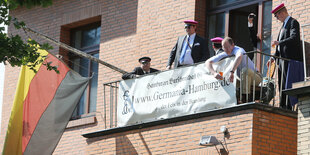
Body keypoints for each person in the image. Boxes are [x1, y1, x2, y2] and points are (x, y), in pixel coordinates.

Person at [205, 37, 262, 102]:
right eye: (224, 48)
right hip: (242, 80)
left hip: (256, 78)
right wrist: (214, 73)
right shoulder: (225, 53)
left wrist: (232, 72)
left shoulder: (239, 50)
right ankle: (229, 101)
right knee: (228, 80)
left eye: (227, 47)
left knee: (245, 70)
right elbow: (208, 62)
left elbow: (239, 56)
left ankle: (245, 98)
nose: (226, 50)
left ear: (233, 45)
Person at [268, 3, 303, 108]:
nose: (276, 18)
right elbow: (279, 47)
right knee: (282, 85)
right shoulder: (283, 26)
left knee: (288, 84)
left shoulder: (293, 22)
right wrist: (273, 58)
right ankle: (283, 107)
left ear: (282, 12)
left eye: (277, 15)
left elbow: (294, 38)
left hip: (290, 60)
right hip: (282, 61)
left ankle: (288, 107)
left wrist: (279, 42)